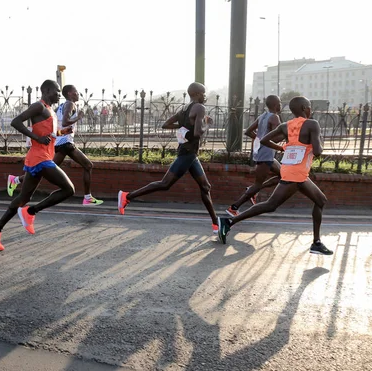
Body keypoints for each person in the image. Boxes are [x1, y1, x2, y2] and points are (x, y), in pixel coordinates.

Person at [218, 96, 333, 255]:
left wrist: (283, 149)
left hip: (291, 170)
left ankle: (316, 243)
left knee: (321, 200)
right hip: (296, 174)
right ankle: (228, 222)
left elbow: (264, 139)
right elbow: (318, 151)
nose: (310, 109)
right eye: (309, 106)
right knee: (270, 205)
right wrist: (316, 143)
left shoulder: (286, 125)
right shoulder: (312, 124)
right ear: (305, 108)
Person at [0, 80, 74, 251]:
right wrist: (36, 138)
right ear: (47, 91)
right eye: (56, 91)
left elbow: (49, 134)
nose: (59, 94)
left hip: (42, 156)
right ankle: (31, 212)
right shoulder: (38, 107)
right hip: (40, 157)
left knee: (23, 198)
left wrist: (62, 132)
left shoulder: (50, 111)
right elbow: (16, 122)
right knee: (69, 189)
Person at [117, 82, 219, 234]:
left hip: (191, 154)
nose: (205, 96)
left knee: (205, 187)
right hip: (187, 153)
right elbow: (198, 133)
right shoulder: (200, 108)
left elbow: (166, 124)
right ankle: (127, 196)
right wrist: (206, 123)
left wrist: (184, 128)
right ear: (197, 94)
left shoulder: (184, 109)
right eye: (203, 93)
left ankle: (216, 223)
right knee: (165, 184)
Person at [6, 84, 103, 206]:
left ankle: (15, 180)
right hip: (65, 144)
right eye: (76, 92)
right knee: (88, 165)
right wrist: (78, 117)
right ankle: (87, 198)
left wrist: (65, 131)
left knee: (42, 171)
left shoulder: (60, 107)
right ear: (69, 94)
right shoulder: (70, 104)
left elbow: (57, 127)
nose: (78, 94)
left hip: (59, 142)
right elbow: (66, 121)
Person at [226, 95, 282, 216]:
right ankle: (234, 207)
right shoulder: (275, 118)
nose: (281, 104)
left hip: (264, 153)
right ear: (275, 105)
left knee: (284, 175)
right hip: (266, 154)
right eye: (279, 102)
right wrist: (288, 133)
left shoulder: (262, 116)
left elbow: (248, 131)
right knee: (257, 184)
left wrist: (260, 138)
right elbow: (276, 139)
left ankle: (254, 191)